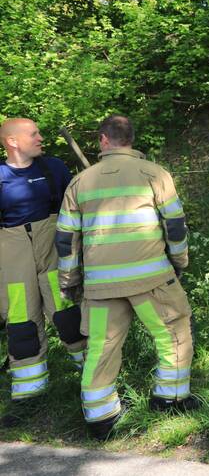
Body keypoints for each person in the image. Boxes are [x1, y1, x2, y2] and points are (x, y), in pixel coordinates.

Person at [56, 115, 197, 440]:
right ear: (130, 139)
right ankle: (171, 399)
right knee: (173, 333)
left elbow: (66, 240)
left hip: (102, 288)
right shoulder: (154, 174)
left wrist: (69, 280)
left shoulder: (80, 183)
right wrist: (179, 261)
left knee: (102, 348)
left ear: (103, 140)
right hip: (150, 281)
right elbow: (175, 225)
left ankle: (100, 419)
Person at [0, 118, 86, 427]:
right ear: (12, 141)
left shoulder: (54, 168)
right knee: (21, 322)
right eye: (33, 133)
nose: (40, 137)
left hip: (52, 251)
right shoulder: (0, 176)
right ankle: (29, 395)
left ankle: (93, 380)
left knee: (67, 316)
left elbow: (77, 211)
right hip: (12, 256)